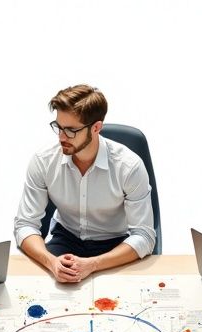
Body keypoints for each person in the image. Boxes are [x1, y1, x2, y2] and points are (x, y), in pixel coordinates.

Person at [13, 84, 156, 283]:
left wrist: (93, 264)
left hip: (115, 245)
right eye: (59, 127)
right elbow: (25, 225)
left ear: (96, 128)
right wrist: (51, 261)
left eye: (71, 130)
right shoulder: (43, 161)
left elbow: (144, 236)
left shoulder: (129, 166)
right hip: (65, 239)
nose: (62, 137)